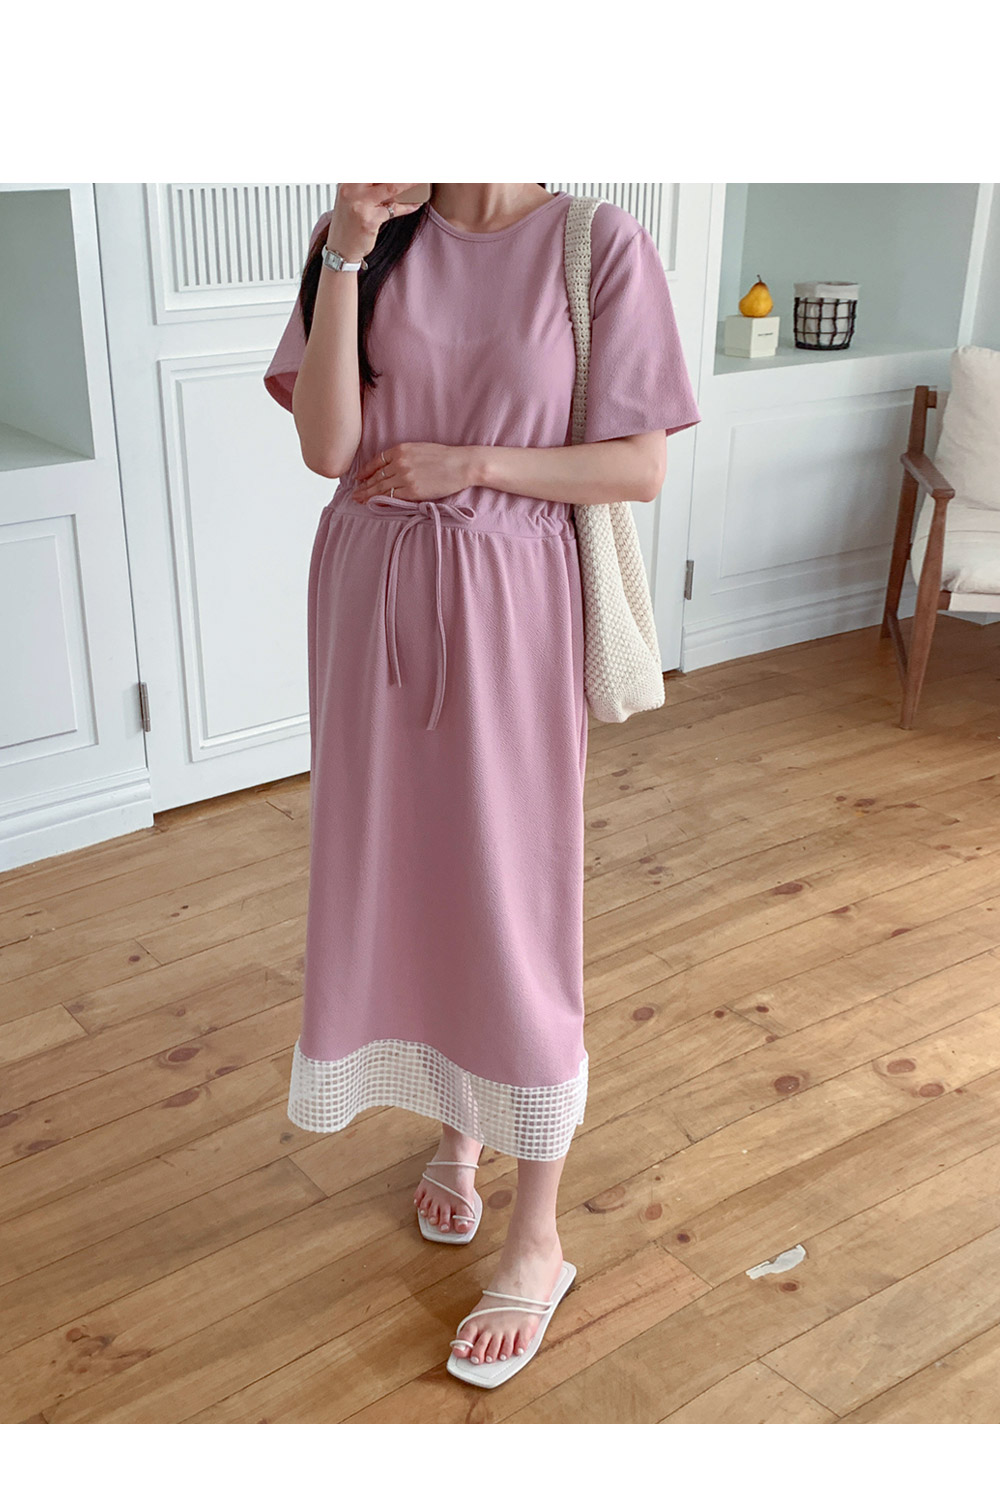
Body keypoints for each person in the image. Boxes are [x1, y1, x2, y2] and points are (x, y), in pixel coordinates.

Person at [263, 183, 701, 1382]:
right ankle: (459, 1135)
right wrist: (345, 253)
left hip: (510, 602)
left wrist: (473, 462)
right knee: (405, 881)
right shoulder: (365, 237)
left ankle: (538, 1237)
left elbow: (639, 467)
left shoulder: (594, 243)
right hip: (369, 595)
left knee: (511, 899)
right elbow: (327, 450)